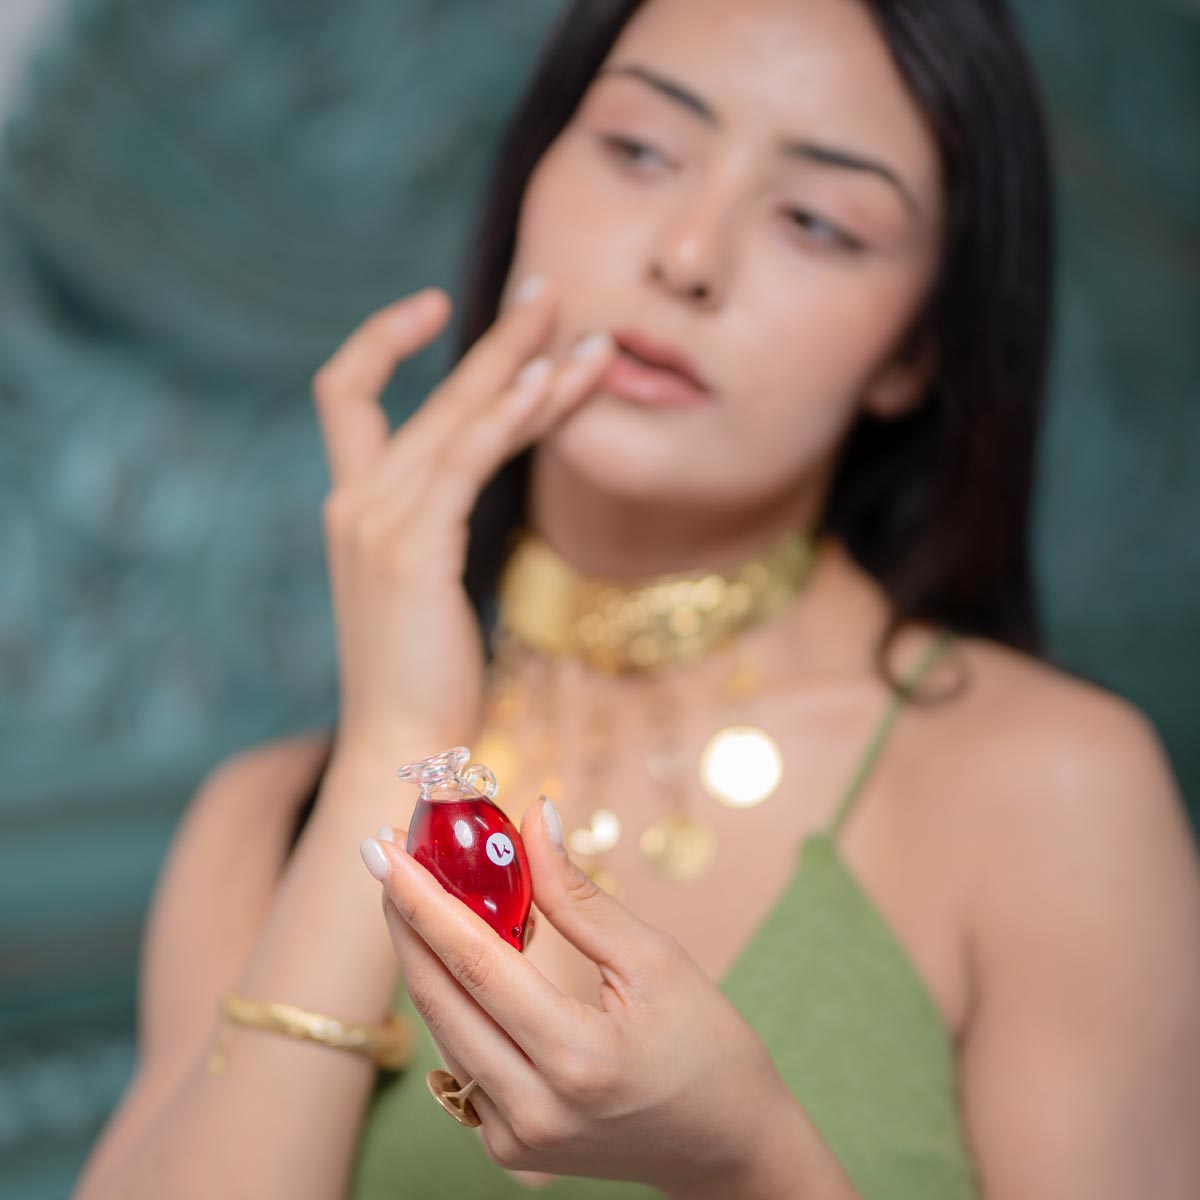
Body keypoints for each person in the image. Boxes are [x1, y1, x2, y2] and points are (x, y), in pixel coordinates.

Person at [75, 0, 1200, 1197]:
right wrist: (395, 747)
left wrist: (747, 1159)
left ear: (914, 349)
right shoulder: (264, 825)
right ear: (529, 181)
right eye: (640, 150)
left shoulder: (1052, 790)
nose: (688, 255)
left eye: (819, 221)